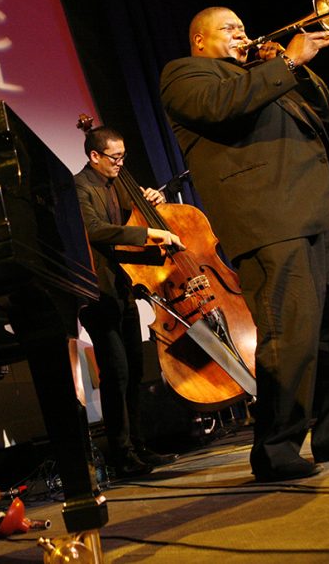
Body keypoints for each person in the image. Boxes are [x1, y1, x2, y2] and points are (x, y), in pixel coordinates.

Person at [160, 7, 329, 482]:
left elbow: (324, 113)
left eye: (243, 27)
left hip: (328, 216)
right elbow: (219, 107)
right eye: (229, 29)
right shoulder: (186, 74)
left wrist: (296, 66)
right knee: (291, 334)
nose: (242, 34)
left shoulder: (262, 74)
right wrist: (284, 64)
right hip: (272, 219)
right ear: (200, 42)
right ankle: (275, 450)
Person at [74, 125, 183, 478]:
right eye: (114, 158)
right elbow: (94, 229)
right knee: (116, 373)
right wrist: (149, 231)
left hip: (124, 287)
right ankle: (120, 454)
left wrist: (147, 202)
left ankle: (138, 446)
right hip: (98, 292)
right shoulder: (81, 186)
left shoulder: (118, 184)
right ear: (95, 156)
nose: (121, 164)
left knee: (135, 369)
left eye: (123, 157)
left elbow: (128, 218)